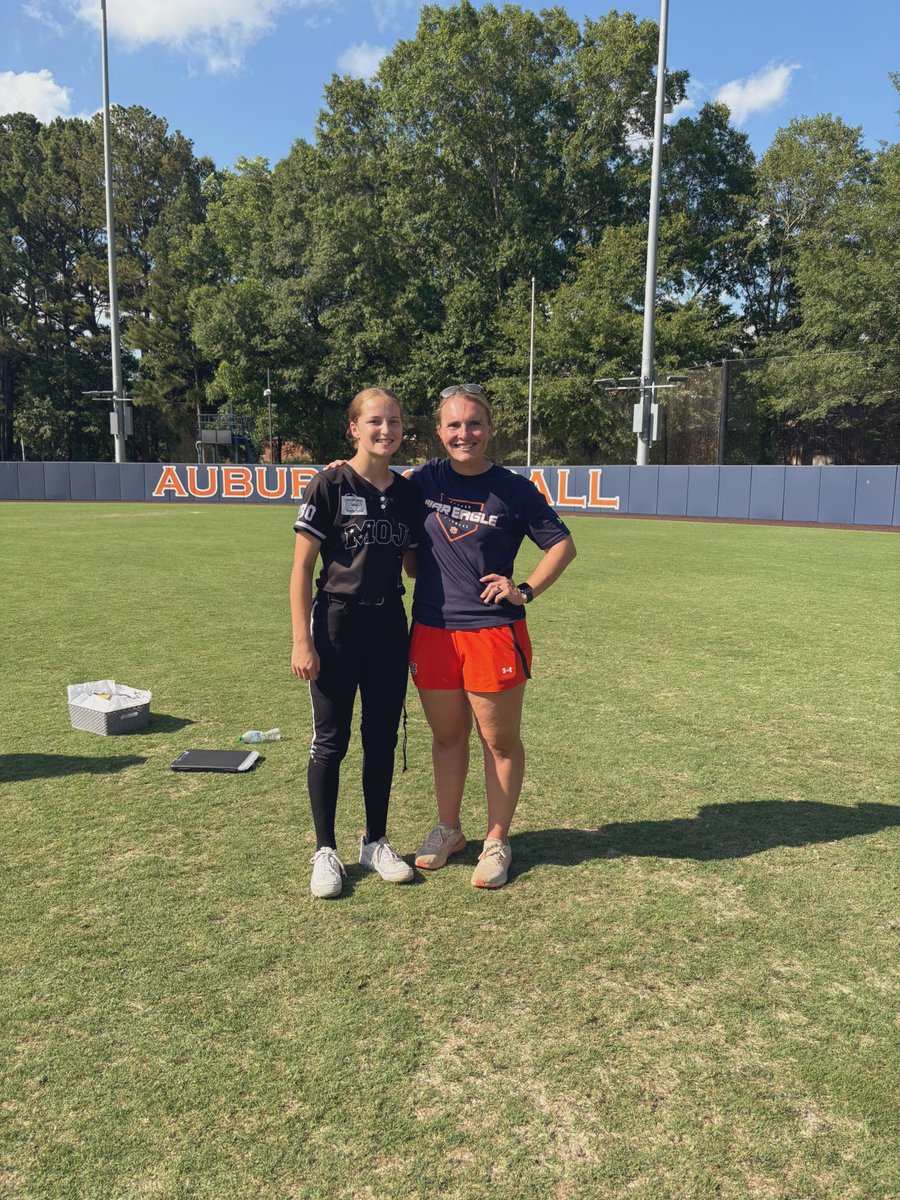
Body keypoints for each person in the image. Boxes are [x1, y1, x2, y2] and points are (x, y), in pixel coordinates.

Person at [408, 383, 576, 888]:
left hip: (492, 632)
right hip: (433, 630)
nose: (465, 434)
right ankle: (449, 829)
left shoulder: (514, 489)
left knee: (498, 740)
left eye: (474, 424)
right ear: (439, 432)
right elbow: (367, 483)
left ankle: (497, 839)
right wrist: (336, 469)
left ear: (490, 429)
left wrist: (522, 589)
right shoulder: (420, 482)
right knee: (446, 737)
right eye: (454, 425)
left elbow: (562, 546)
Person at [290, 387, 419, 899]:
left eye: (393, 421)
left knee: (381, 738)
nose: (385, 430)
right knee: (331, 740)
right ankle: (325, 850)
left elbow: (413, 564)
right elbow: (301, 569)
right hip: (337, 624)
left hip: (390, 622)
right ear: (354, 428)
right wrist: (303, 641)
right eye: (374, 421)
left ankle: (375, 840)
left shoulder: (408, 493)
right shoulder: (329, 482)